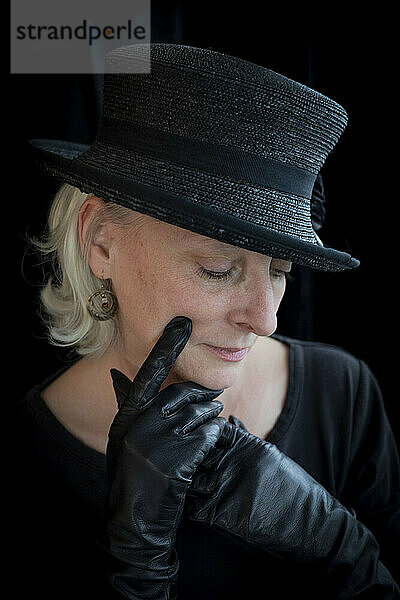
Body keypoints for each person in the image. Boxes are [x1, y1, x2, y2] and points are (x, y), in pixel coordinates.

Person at [18, 43, 400, 599]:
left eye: (279, 270)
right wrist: (134, 567)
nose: (265, 319)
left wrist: (335, 542)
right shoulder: (28, 455)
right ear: (101, 242)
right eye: (218, 269)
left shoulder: (344, 395)